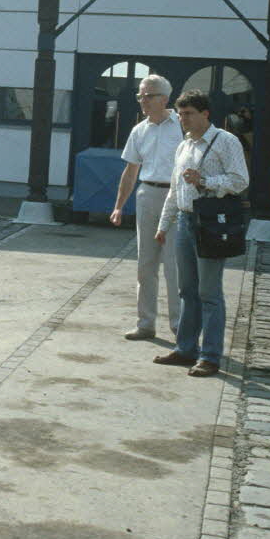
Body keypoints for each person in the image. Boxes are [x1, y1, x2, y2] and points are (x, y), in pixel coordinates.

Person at [152, 89, 249, 377]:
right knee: (187, 290)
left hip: (211, 222)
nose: (183, 119)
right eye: (180, 114)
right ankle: (186, 349)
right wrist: (163, 224)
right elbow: (175, 188)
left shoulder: (225, 141)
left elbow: (240, 180)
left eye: (189, 114)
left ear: (206, 114)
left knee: (209, 292)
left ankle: (210, 355)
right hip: (185, 221)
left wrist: (206, 181)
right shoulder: (184, 145)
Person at [110, 74, 184, 341]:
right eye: (140, 96)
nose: (143, 101)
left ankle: (180, 327)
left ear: (164, 98)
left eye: (148, 96)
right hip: (147, 194)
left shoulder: (182, 127)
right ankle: (145, 324)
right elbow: (130, 170)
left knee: (174, 265)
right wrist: (119, 206)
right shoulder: (139, 130)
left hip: (175, 198)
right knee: (146, 263)